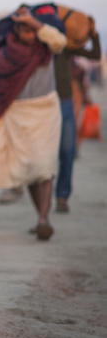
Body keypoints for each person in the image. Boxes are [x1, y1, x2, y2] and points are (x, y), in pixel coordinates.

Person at [0, 4, 67, 240]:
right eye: (24, 30)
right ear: (16, 31)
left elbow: (60, 41)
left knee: (45, 166)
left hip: (46, 111)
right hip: (17, 114)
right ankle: (41, 217)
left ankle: (44, 219)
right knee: (29, 170)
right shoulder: (5, 53)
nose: (29, 35)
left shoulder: (46, 48)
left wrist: (35, 22)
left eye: (32, 30)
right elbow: (0, 87)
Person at [53, 17, 101, 212]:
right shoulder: (39, 49)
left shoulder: (66, 47)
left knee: (67, 150)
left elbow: (95, 55)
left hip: (65, 101)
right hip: (43, 105)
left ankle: (62, 197)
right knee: (44, 156)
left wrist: (94, 34)